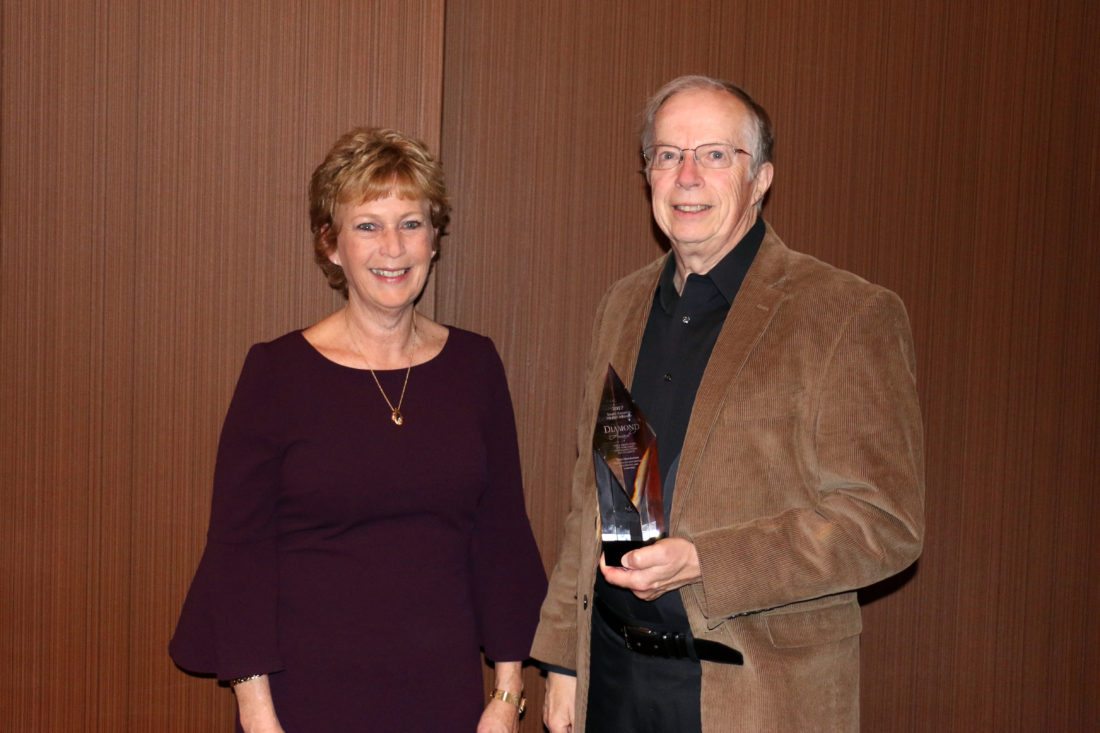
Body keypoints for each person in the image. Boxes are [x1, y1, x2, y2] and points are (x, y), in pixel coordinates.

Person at [531, 76, 925, 732]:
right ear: (647, 175)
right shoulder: (621, 306)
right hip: (614, 683)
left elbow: (883, 524)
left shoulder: (846, 314)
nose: (686, 176)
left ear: (761, 178)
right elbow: (590, 498)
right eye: (667, 155)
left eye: (715, 155)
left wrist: (705, 560)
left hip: (755, 698)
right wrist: (563, 662)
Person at [170, 127, 546, 733]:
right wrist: (259, 716)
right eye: (368, 225)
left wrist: (506, 695)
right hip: (302, 701)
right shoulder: (277, 373)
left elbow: (503, 536)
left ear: (434, 239)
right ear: (332, 245)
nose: (392, 248)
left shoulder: (475, 367)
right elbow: (238, 554)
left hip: (445, 696)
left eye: (411, 223)